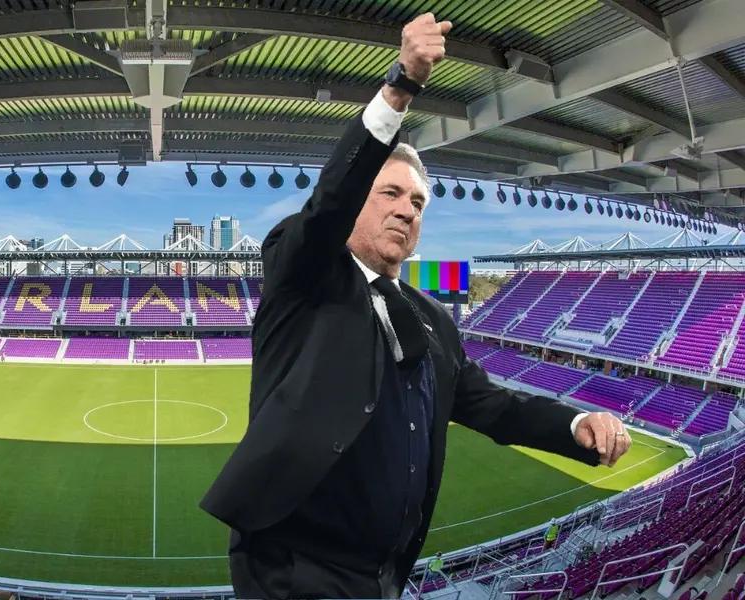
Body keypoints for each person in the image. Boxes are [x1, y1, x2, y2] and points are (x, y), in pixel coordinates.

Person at [199, 13, 633, 599]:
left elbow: (494, 407)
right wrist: (401, 85)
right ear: (358, 202)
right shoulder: (305, 277)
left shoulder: (432, 320)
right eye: (391, 193)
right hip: (292, 566)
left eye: (420, 202)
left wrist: (576, 424)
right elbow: (327, 205)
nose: (408, 210)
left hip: (385, 575)